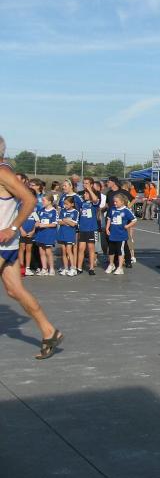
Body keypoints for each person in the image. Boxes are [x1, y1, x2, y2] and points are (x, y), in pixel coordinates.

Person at [0, 141, 64, 359]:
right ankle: (49, 331)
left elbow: (29, 199)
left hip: (3, 242)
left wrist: (12, 228)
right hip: (8, 244)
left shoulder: (3, 173)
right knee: (14, 291)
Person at [105, 194, 136, 274]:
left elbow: (134, 220)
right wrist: (107, 228)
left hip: (121, 235)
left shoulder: (126, 210)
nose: (115, 203)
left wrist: (127, 226)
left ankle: (120, 267)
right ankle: (111, 264)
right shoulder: (112, 209)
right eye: (114, 202)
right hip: (112, 234)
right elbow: (109, 219)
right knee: (111, 250)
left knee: (120, 251)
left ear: (122, 202)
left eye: (116, 202)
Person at [35, 193, 58, 275]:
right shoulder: (41, 210)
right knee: (41, 252)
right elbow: (37, 220)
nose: (42, 202)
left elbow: (54, 224)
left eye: (44, 200)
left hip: (49, 234)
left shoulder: (54, 211)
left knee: (48, 252)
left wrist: (44, 225)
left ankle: (51, 268)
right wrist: (37, 223)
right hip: (40, 233)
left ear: (49, 201)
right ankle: (44, 268)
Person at [56, 195, 79, 276]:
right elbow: (59, 222)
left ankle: (73, 268)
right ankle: (66, 268)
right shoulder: (63, 211)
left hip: (70, 234)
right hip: (62, 232)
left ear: (72, 204)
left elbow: (73, 224)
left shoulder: (75, 212)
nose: (65, 205)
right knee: (64, 251)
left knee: (69, 250)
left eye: (67, 204)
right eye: (64, 204)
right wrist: (67, 221)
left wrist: (65, 220)